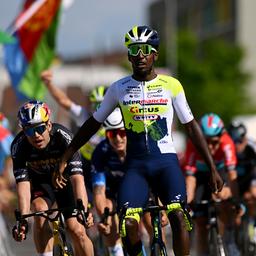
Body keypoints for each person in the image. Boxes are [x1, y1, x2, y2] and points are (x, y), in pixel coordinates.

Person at [55, 25, 223, 256]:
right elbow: (93, 124)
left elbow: (192, 127)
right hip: (136, 167)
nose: (140, 55)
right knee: (129, 223)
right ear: (128, 56)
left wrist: (212, 167)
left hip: (165, 163)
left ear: (155, 53)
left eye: (145, 49)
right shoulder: (118, 88)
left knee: (178, 215)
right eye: (134, 50)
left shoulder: (171, 86)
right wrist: (66, 156)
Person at [11, 100, 94, 256]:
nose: (36, 135)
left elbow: (77, 178)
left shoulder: (64, 137)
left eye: (40, 128)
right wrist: (22, 219)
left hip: (65, 182)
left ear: (48, 125)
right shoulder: (19, 145)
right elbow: (22, 185)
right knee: (39, 211)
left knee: (76, 230)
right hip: (41, 185)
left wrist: (84, 209)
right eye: (29, 131)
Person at [41, 70, 107, 200]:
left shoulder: (116, 120)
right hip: (86, 163)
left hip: (106, 164)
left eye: (100, 105)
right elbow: (64, 101)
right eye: (93, 104)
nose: (96, 109)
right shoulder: (84, 115)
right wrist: (49, 84)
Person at [185, 113, 241, 256]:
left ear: (222, 137)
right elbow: (190, 177)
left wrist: (235, 200)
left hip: (221, 172)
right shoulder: (193, 144)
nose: (210, 146)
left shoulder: (227, 142)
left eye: (215, 142)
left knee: (223, 196)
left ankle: (229, 239)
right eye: (206, 141)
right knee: (200, 221)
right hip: (201, 176)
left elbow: (232, 174)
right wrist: (189, 201)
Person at [91, 107, 126, 256]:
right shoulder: (100, 151)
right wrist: (103, 218)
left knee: (151, 222)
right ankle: (116, 252)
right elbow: (99, 191)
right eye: (112, 133)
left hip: (138, 189)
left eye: (122, 133)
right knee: (107, 211)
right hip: (112, 190)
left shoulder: (138, 146)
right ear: (106, 134)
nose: (118, 138)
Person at [228, 121, 256, 244]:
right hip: (233, 181)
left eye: (240, 141)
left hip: (250, 179)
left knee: (253, 195)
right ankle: (232, 239)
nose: (237, 145)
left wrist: (253, 186)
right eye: (234, 142)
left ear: (245, 138)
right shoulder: (228, 149)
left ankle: (252, 222)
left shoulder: (252, 147)